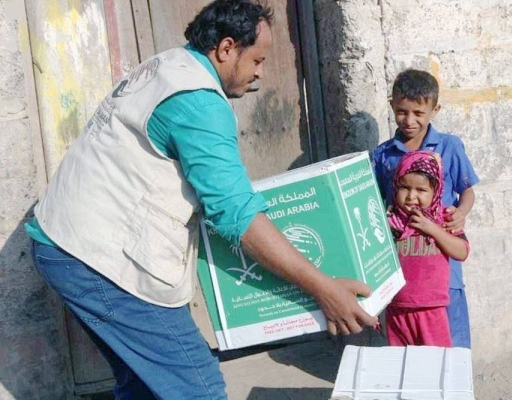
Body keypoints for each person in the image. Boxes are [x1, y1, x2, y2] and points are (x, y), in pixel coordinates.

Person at [25, 1, 377, 398]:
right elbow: (235, 213)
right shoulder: (198, 101)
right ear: (227, 49)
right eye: (257, 59)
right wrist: (323, 288)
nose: (260, 72)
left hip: (63, 242)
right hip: (98, 259)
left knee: (144, 385)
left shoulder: (169, 65)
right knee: (199, 388)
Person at [370, 69, 479, 348]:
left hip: (441, 252)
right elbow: (378, 202)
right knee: (406, 340)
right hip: (404, 258)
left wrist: (461, 213)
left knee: (450, 334)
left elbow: (467, 191)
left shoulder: (449, 146)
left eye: (418, 113)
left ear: (434, 110)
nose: (409, 120)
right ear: (392, 104)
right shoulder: (383, 155)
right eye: (402, 111)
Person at [385, 150, 469, 346]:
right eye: (404, 188)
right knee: (402, 366)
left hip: (432, 310)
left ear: (436, 190)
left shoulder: (445, 218)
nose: (411, 196)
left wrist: (432, 229)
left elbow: (462, 251)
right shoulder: (389, 221)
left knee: (436, 365)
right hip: (397, 309)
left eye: (421, 190)